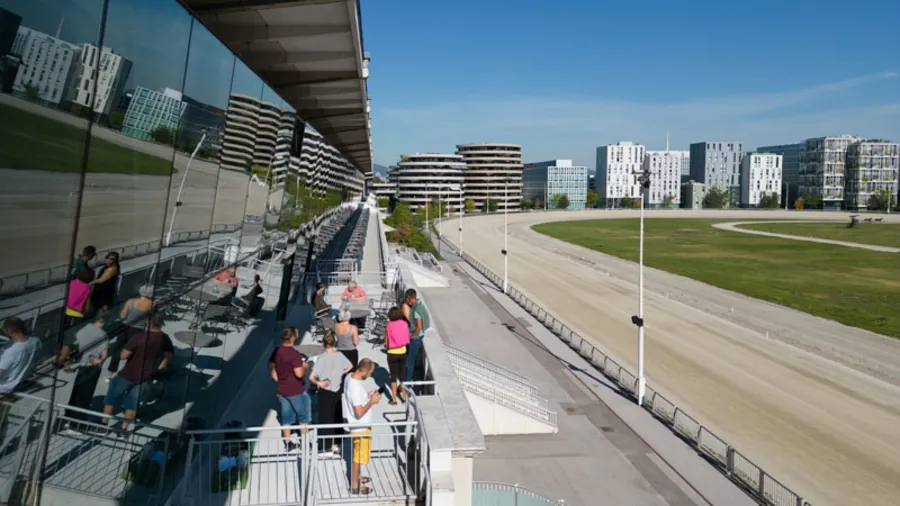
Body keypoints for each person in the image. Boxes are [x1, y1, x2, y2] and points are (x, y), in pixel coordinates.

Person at [102, 312, 173, 430]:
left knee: (111, 398)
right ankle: (123, 428)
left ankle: (103, 425)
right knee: (132, 405)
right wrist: (156, 368)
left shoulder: (138, 337)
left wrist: (120, 350)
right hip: (146, 377)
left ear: (149, 322)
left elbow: (123, 356)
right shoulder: (165, 338)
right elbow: (168, 357)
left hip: (128, 374)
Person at [342, 358, 382, 496]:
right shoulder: (356, 388)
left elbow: (355, 401)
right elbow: (358, 412)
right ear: (364, 370)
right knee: (357, 458)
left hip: (355, 426)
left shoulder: (349, 378)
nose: (370, 375)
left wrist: (367, 396)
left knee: (357, 456)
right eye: (370, 372)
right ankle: (355, 486)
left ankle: (357, 479)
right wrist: (371, 402)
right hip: (361, 427)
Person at [309, 331, 352, 456]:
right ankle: (337, 444)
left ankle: (326, 446)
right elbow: (350, 366)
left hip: (326, 391)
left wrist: (319, 383)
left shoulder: (322, 358)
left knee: (325, 418)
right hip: (337, 389)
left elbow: (312, 377)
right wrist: (341, 373)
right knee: (337, 415)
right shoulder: (339, 355)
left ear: (324, 343)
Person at [268, 326, 310, 452]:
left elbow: (270, 365)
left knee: (286, 419)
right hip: (295, 391)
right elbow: (299, 374)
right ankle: (305, 443)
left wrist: (277, 378)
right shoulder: (295, 355)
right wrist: (305, 366)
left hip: (282, 391)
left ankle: (288, 443)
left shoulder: (277, 351)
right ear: (293, 337)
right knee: (303, 418)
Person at [0, 317, 41, 396]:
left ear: (10, 330)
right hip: (20, 379)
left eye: (4, 330)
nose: (3, 332)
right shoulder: (36, 341)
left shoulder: (11, 352)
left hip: (4, 387)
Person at [401, 289, 430, 382]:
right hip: (420, 336)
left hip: (417, 337)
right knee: (413, 358)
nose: (408, 301)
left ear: (411, 298)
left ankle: (408, 381)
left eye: (408, 299)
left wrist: (413, 335)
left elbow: (419, 326)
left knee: (410, 361)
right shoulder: (420, 305)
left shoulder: (416, 310)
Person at [385, 307, 409, 405]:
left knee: (393, 376)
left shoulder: (388, 325)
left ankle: (394, 399)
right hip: (402, 351)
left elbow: (386, 342)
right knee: (403, 375)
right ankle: (404, 397)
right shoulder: (404, 324)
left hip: (392, 353)